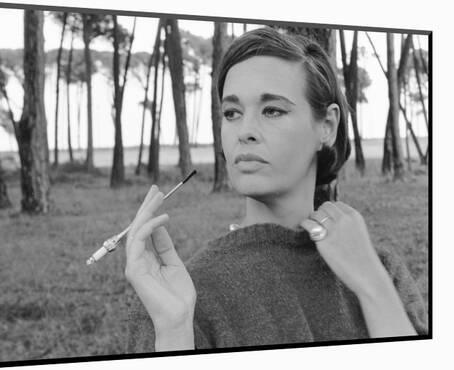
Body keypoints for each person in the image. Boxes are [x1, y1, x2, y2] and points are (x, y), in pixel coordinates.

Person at [123, 27, 428, 353]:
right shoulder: (177, 298)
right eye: (232, 113)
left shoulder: (384, 271)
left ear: (327, 126)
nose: (245, 131)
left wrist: (372, 285)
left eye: (272, 110)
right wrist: (173, 330)